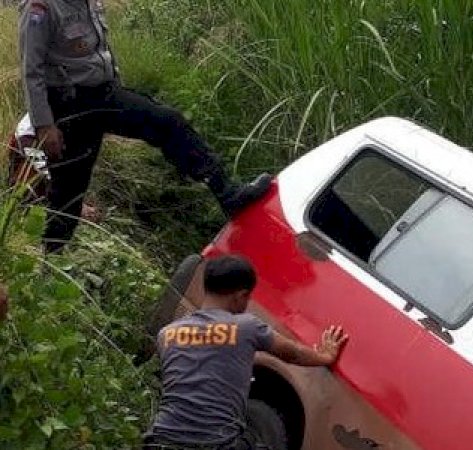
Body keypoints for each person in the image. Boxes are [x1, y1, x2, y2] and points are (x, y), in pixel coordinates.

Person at [18, 0, 271, 253]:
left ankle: (227, 193)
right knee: (68, 194)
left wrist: (118, 84)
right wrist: (44, 125)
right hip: (69, 107)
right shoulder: (40, 7)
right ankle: (51, 260)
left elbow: (101, 50)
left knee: (168, 122)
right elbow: (31, 70)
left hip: (103, 96)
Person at [144, 255, 349, 449]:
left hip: (159, 440)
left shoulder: (167, 334)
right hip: (216, 444)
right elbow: (292, 353)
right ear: (241, 295)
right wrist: (325, 356)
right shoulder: (246, 327)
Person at [7, 113, 100, 222]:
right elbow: (47, 173)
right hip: (30, 141)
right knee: (35, 182)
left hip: (47, 141)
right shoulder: (30, 136)